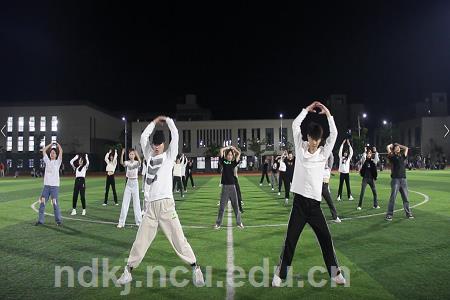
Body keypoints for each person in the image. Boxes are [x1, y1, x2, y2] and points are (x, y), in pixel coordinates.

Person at [116, 116, 204, 286]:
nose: (156, 147)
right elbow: (143, 138)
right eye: (154, 144)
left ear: (164, 144)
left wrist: (169, 121)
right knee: (140, 241)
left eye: (159, 144)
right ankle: (128, 271)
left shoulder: (170, 156)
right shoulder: (149, 155)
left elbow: (176, 134)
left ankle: (196, 268)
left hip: (166, 205)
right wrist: (154, 123)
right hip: (150, 207)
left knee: (179, 239)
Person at [272, 101, 345, 287]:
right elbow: (295, 125)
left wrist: (328, 114)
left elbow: (334, 134)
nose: (314, 143)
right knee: (290, 240)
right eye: (312, 139)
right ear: (308, 137)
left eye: (317, 140)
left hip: (314, 205)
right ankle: (280, 275)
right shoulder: (300, 147)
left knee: (326, 239)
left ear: (320, 140)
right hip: (299, 204)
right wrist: (306, 110)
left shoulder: (323, 152)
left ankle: (335, 273)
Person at [215, 146, 244, 229]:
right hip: (225, 187)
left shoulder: (234, 162)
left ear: (232, 156)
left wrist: (233, 148)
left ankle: (239, 223)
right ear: (226, 155)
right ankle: (218, 223)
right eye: (228, 155)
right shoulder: (223, 161)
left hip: (232, 187)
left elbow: (239, 153)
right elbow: (221, 150)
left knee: (236, 206)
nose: (230, 156)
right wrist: (228, 147)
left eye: (231, 155)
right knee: (222, 207)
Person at [35, 143, 63, 226]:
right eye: (51, 152)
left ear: (56, 155)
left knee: (55, 204)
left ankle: (58, 221)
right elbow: (44, 150)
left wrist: (57, 145)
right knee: (42, 203)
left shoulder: (58, 162)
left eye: (54, 153)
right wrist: (50, 144)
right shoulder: (47, 160)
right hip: (46, 187)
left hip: (54, 187)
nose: (52, 154)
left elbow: (61, 151)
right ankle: (40, 221)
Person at [385, 143, 414, 221]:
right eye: (396, 148)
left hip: (403, 179)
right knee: (393, 198)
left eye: (399, 148)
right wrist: (391, 145)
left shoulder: (402, 156)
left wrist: (399, 145)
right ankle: (389, 214)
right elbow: (387, 147)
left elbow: (406, 148)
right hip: (395, 179)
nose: (398, 148)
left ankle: (408, 213)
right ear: (393, 149)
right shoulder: (392, 156)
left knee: (406, 198)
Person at [117, 148, 143, 228]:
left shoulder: (136, 162)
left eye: (132, 154)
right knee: (125, 203)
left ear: (134, 155)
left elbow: (140, 162)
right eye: (130, 154)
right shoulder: (127, 162)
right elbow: (121, 163)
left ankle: (139, 222)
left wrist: (137, 153)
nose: (131, 155)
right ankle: (121, 222)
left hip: (135, 183)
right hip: (128, 183)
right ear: (128, 155)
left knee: (136, 203)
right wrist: (122, 153)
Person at [322, 153, 341, 222]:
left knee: (330, 202)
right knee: (312, 202)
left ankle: (335, 217)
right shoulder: (318, 167)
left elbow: (331, 157)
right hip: (317, 186)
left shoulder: (328, 169)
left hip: (325, 187)